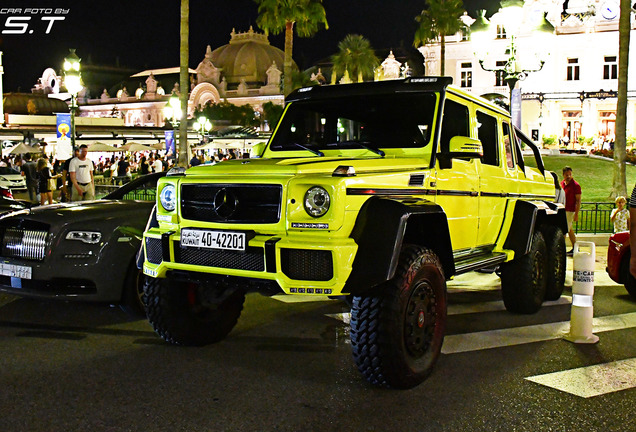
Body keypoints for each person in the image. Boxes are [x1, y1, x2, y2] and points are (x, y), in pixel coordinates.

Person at [560, 166, 582, 256]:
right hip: (563, 209)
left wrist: (576, 213)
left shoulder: (576, 186)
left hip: (570, 210)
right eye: (566, 174)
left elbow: (578, 200)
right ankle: (575, 248)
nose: (568, 176)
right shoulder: (562, 184)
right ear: (563, 175)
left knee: (564, 229)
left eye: (569, 174)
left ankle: (560, 248)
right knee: (569, 230)